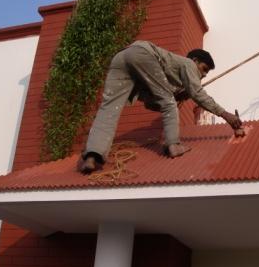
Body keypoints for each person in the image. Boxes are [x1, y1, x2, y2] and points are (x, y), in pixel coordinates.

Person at [80, 40, 242, 173]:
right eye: (204, 69)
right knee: (168, 101)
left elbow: (151, 103)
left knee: (108, 108)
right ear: (195, 61)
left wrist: (178, 95)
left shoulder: (171, 69)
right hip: (143, 53)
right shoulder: (188, 64)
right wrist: (226, 115)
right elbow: (198, 94)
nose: (204, 74)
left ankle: (92, 155)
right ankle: (173, 145)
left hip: (121, 57)